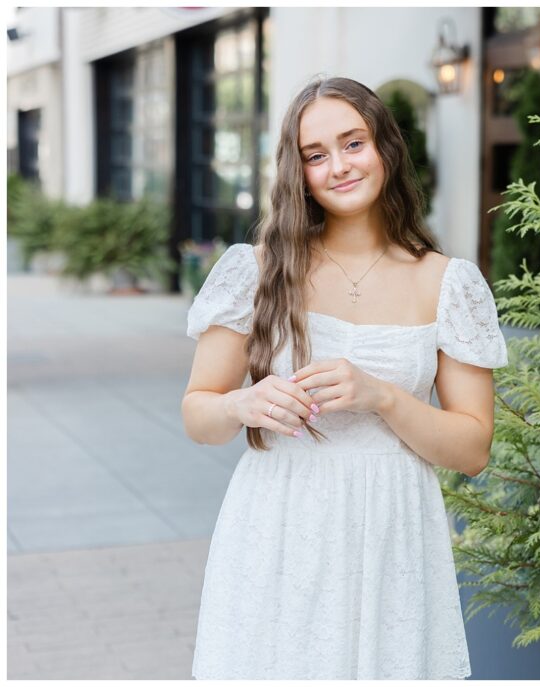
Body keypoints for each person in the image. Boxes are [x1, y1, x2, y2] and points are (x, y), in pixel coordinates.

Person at [181, 76, 507, 679]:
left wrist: (381, 396)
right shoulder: (256, 271)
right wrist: (242, 405)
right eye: (316, 155)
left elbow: (473, 449)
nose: (338, 166)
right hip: (276, 523)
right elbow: (198, 413)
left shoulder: (448, 282)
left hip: (392, 535)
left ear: (385, 146)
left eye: (353, 143)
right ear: (298, 173)